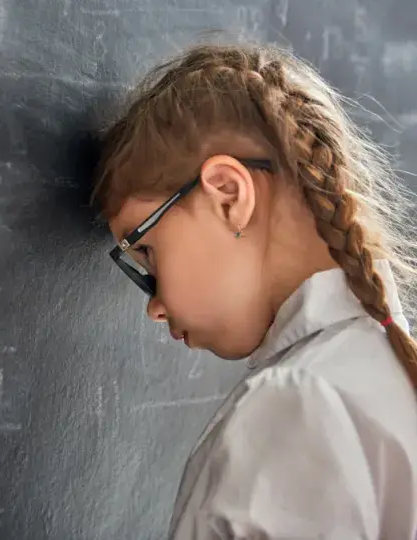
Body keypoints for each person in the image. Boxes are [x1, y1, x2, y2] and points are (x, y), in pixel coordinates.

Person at [92, 41, 417, 539]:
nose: (155, 307)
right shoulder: (385, 371)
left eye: (148, 252)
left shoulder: (298, 407)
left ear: (227, 195)